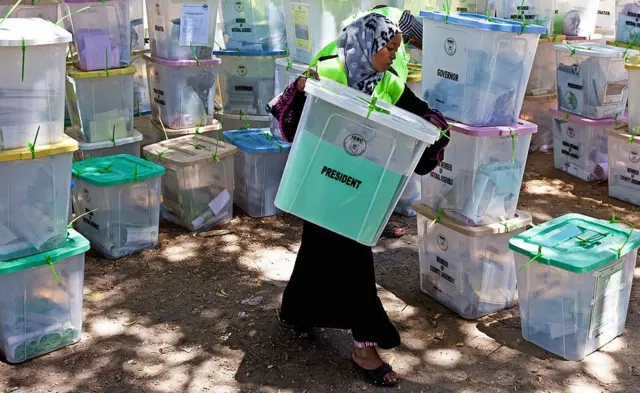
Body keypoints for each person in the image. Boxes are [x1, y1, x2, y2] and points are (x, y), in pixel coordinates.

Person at [270, 13, 449, 387]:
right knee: (346, 259)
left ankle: (297, 311)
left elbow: (420, 112)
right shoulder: (328, 70)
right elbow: (288, 122)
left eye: (395, 49)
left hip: (359, 185)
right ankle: (365, 346)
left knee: (326, 252)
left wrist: (436, 124)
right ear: (367, 42)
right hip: (319, 180)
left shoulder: (387, 83)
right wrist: (302, 88)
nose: (392, 56)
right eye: (388, 47)